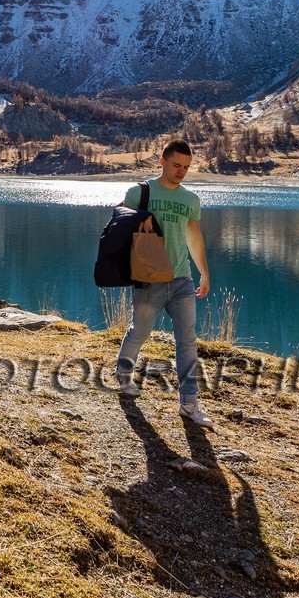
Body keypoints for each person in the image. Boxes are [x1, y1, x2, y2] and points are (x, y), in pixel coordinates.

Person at [113, 139, 215, 428]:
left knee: (188, 340)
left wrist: (204, 274)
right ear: (162, 161)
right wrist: (135, 222)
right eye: (176, 165)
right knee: (140, 331)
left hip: (181, 278)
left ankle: (189, 403)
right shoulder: (139, 193)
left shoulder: (190, 200)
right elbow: (117, 226)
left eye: (186, 167)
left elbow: (194, 238)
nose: (181, 171)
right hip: (148, 279)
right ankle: (123, 373)